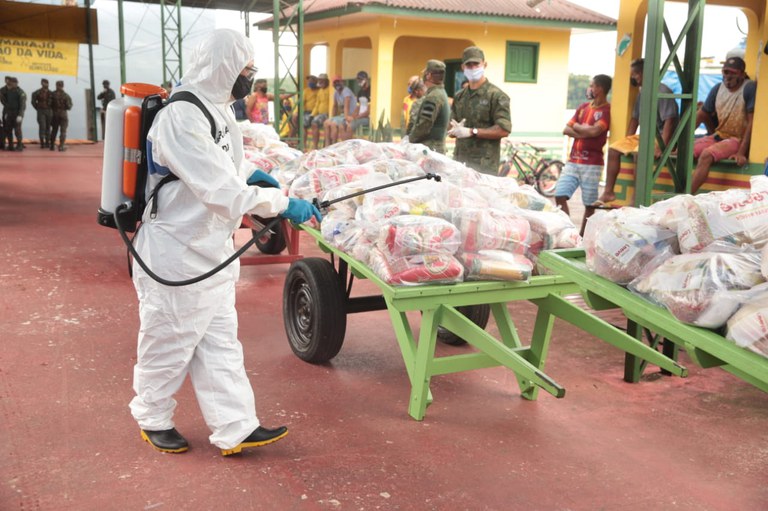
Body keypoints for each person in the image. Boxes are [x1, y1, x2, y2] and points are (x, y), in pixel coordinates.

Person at [131, 28, 321, 456]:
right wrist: (282, 202)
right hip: (175, 255)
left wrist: (251, 173)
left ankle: (235, 426)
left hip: (210, 253)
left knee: (219, 343)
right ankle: (152, 415)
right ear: (221, 67)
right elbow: (222, 193)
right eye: (245, 69)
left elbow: (226, 169)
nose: (248, 79)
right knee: (168, 340)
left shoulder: (216, 110)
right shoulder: (180, 116)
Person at [597, 58, 679, 205]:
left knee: (639, 153)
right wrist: (626, 141)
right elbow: (635, 119)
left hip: (659, 137)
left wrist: (662, 146)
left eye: (635, 74)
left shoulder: (663, 91)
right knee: (614, 149)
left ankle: (636, 195)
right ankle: (608, 191)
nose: (633, 77)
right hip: (644, 136)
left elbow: (670, 121)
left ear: (643, 73)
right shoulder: (642, 93)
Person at [556, 74, 612, 235]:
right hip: (573, 161)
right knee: (560, 195)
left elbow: (596, 130)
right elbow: (566, 129)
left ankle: (581, 236)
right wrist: (585, 131)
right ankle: (568, 232)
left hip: (592, 164)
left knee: (590, 204)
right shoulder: (582, 107)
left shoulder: (607, 110)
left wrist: (579, 128)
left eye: (592, 85)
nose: (590, 88)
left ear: (599, 88)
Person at [690, 56, 756, 193]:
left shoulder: (749, 88)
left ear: (742, 74)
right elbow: (702, 114)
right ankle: (680, 192)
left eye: (733, 73)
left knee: (707, 154)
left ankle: (685, 196)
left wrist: (741, 152)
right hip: (719, 135)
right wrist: (678, 144)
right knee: (687, 152)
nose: (728, 76)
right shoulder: (717, 89)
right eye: (726, 72)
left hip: (737, 139)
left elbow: (751, 122)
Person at [448, 46, 512, 174]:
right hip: (460, 163)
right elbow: (451, 129)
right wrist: (454, 130)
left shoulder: (496, 96)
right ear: (463, 68)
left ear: (484, 64)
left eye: (476, 64)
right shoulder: (460, 96)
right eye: (469, 65)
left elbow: (504, 129)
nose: (472, 68)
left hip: (484, 167)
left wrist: (473, 131)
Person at [407, 60, 450, 153]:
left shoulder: (433, 97)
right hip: (436, 149)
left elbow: (423, 126)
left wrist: (409, 140)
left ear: (429, 75)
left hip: (429, 150)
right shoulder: (442, 93)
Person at [323, 76, 356, 147]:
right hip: (341, 115)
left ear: (342, 82)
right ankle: (327, 145)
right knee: (326, 123)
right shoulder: (336, 92)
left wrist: (346, 117)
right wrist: (332, 117)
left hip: (349, 115)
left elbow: (346, 106)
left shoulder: (346, 91)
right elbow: (335, 106)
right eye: (335, 82)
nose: (337, 84)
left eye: (338, 82)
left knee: (333, 124)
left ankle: (334, 146)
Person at [340, 70, 370, 140]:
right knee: (343, 124)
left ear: (366, 79)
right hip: (359, 117)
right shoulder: (360, 92)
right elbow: (358, 108)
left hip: (367, 118)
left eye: (361, 79)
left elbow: (369, 111)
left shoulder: (371, 91)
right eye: (358, 79)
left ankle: (348, 148)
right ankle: (342, 148)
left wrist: (356, 117)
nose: (359, 81)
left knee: (350, 126)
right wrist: (350, 117)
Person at [1, 77, 27, 151]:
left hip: (17, 113)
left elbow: (22, 105)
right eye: (10, 83)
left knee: (17, 130)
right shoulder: (9, 92)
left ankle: (19, 145)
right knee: (8, 130)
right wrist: (6, 113)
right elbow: (8, 104)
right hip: (9, 114)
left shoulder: (20, 92)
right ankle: (10, 145)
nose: (10, 84)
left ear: (16, 83)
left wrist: (20, 115)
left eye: (12, 83)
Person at [309, 73, 330, 150]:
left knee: (316, 123)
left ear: (327, 81)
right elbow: (317, 104)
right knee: (313, 122)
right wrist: (312, 114)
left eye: (322, 80)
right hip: (320, 114)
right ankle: (315, 146)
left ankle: (324, 146)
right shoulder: (320, 91)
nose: (320, 82)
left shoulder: (330, 89)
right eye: (319, 80)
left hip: (327, 114)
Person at [50, 81, 73, 152]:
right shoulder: (66, 95)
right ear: (63, 86)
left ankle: (52, 145)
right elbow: (69, 106)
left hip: (55, 114)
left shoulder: (52, 94)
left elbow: (49, 104)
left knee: (54, 130)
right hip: (63, 114)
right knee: (63, 131)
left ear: (56, 85)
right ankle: (61, 146)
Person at [31, 78, 54, 149]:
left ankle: (47, 142)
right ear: (41, 83)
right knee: (42, 127)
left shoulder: (51, 93)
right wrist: (38, 108)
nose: (45, 84)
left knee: (48, 127)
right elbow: (33, 102)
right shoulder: (37, 92)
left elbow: (54, 103)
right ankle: (42, 143)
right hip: (41, 111)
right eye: (44, 83)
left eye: (46, 83)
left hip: (49, 111)